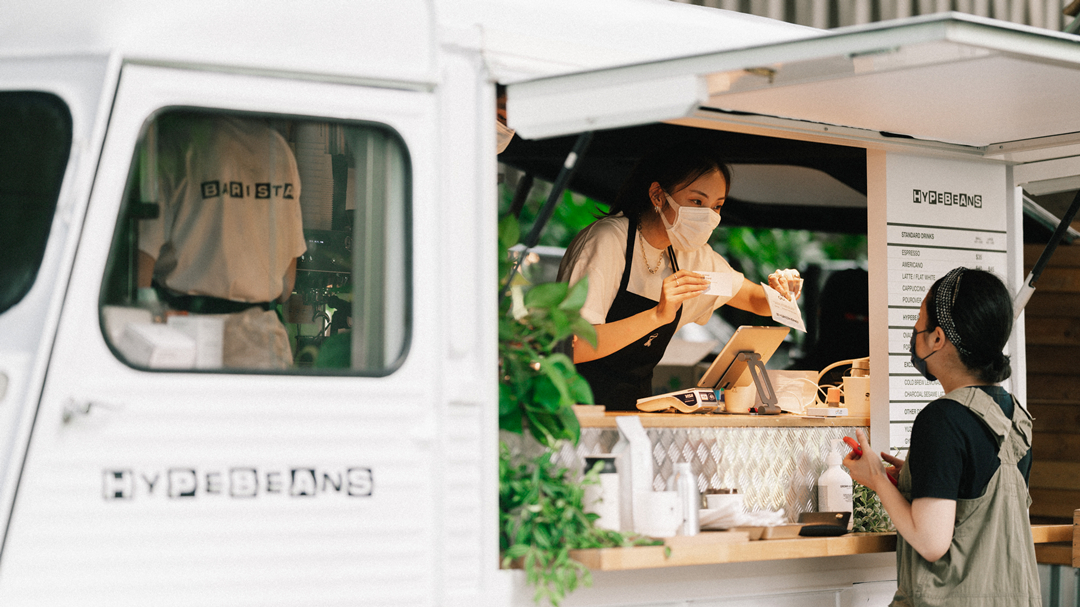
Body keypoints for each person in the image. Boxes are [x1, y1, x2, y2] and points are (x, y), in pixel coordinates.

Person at [844, 267, 1040, 607]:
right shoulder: (1013, 414)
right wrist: (914, 474)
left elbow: (931, 542)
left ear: (937, 338)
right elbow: (976, 498)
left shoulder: (942, 419)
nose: (914, 332)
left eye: (920, 321)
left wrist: (877, 480)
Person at [556, 141, 800, 410]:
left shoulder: (691, 255)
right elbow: (574, 346)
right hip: (576, 410)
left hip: (635, 411)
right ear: (658, 195)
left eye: (716, 206)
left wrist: (781, 292)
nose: (707, 216)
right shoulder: (609, 240)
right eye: (697, 201)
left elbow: (755, 301)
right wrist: (657, 315)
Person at [137, 113, 307, 369]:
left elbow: (140, 270)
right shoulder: (279, 150)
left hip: (187, 336)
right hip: (263, 345)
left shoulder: (176, 143)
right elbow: (286, 284)